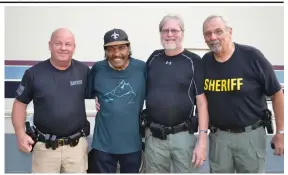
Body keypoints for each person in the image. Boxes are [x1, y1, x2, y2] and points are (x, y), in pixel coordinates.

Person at [202, 15, 284, 173]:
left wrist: (280, 132)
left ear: (230, 32)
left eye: (218, 31)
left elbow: (276, 93)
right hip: (219, 138)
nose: (213, 37)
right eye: (208, 33)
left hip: (250, 136)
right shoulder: (205, 61)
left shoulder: (252, 57)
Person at [11, 28, 90, 173]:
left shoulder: (84, 71)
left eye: (68, 44)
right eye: (58, 43)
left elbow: (102, 93)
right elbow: (19, 104)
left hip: (76, 149)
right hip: (45, 149)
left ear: (74, 48)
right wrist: (20, 134)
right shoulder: (34, 73)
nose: (63, 48)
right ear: (49, 45)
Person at [144, 14, 209, 173]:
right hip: (155, 137)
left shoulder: (193, 61)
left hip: (183, 137)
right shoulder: (153, 58)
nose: (170, 34)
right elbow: (137, 87)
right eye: (165, 30)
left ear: (182, 33)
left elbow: (202, 103)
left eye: (174, 30)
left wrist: (202, 140)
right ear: (160, 34)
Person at [87, 28, 146, 173]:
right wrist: (96, 98)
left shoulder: (142, 68)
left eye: (121, 48)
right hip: (103, 144)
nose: (116, 53)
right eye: (111, 49)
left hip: (132, 143)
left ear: (129, 49)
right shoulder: (98, 68)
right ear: (105, 51)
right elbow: (89, 92)